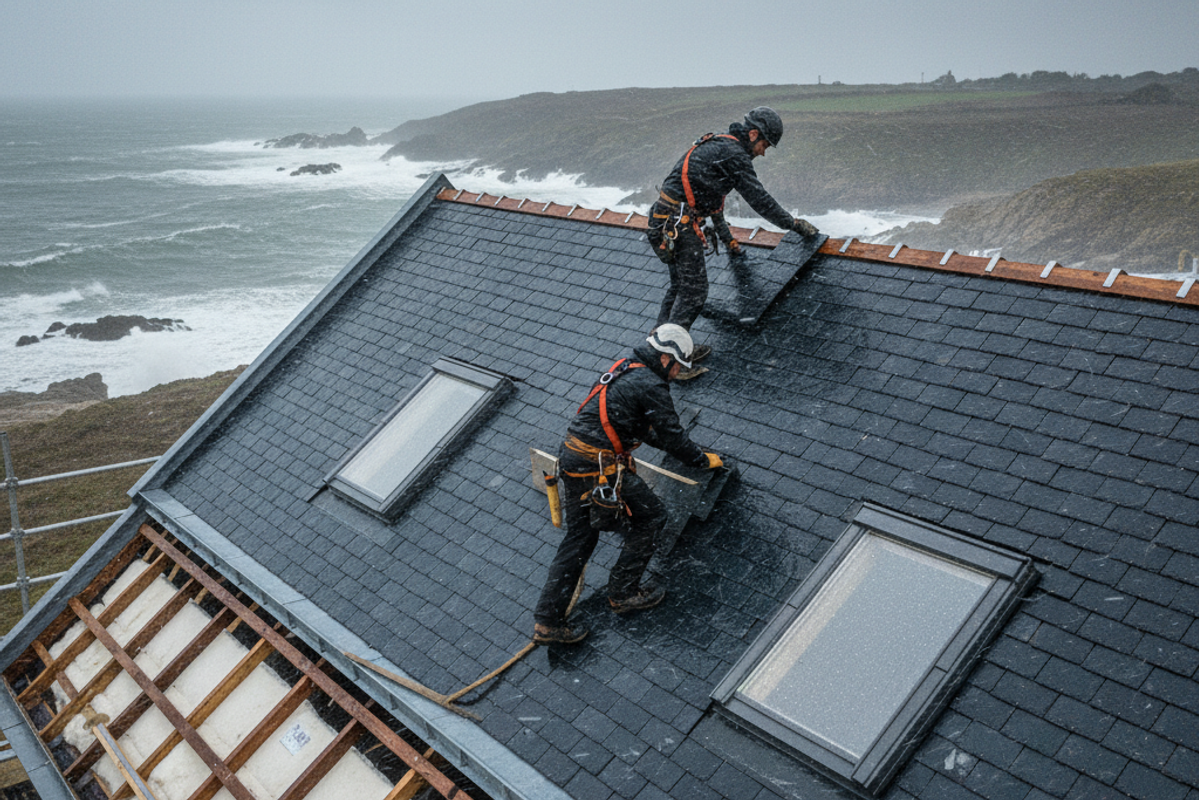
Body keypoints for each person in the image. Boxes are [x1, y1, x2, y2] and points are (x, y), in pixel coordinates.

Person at [533, 324, 724, 644]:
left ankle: (548, 621)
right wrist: (701, 460)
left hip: (575, 460)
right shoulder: (651, 385)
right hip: (597, 468)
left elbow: (644, 431)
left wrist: (683, 451)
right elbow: (670, 434)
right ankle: (622, 592)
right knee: (651, 516)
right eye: (678, 366)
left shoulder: (625, 369)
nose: (677, 375)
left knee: (579, 540)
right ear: (665, 358)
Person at [647, 106, 819, 378]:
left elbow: (712, 202)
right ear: (752, 134)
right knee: (694, 292)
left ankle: (657, 351)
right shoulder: (734, 155)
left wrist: (728, 240)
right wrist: (794, 225)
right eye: (764, 144)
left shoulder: (719, 147)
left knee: (680, 287)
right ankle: (669, 359)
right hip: (677, 225)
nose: (763, 152)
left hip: (665, 222)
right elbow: (760, 200)